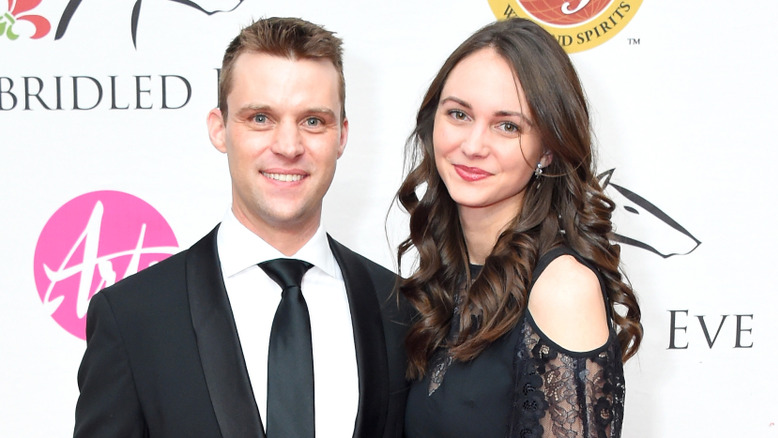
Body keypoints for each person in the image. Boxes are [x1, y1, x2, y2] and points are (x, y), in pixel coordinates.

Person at [74, 17, 408, 438]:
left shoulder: (401, 310)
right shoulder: (133, 318)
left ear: (341, 136)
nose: (288, 146)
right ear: (219, 128)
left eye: (313, 121)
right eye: (261, 118)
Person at [396, 18, 642, 438]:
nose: (473, 145)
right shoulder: (449, 272)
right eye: (458, 114)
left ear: (547, 149)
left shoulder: (561, 288)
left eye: (507, 126)